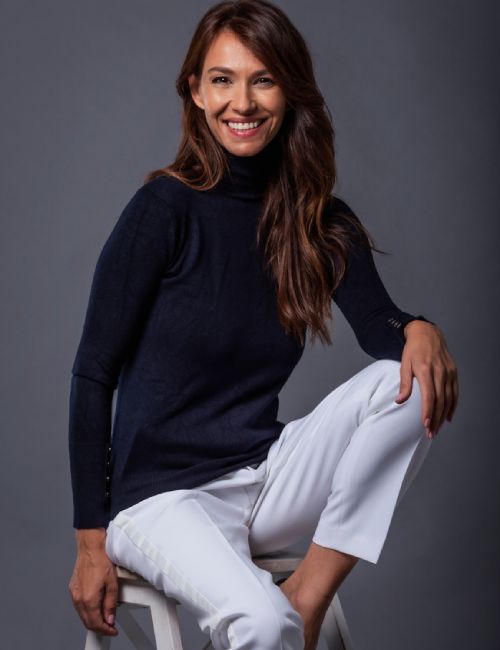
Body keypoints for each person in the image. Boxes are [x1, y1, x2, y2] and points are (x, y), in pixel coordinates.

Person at [67, 1, 458, 648]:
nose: (241, 102)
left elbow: (380, 331)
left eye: (263, 79)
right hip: (159, 502)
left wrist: (420, 329)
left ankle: (308, 592)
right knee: (261, 621)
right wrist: (88, 542)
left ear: (290, 90)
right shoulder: (162, 210)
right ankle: (284, 612)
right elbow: (91, 374)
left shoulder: (319, 222)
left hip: (263, 478)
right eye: (222, 79)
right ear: (195, 91)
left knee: (414, 379)